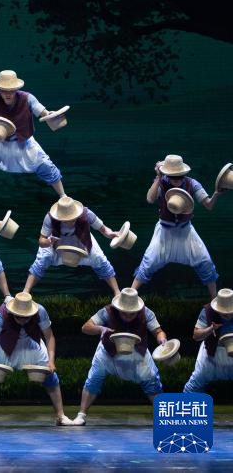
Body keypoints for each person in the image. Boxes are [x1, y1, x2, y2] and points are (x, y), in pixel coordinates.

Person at [0, 292, 74, 426]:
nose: (23, 320)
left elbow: (49, 337)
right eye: (19, 317)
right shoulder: (1, 314)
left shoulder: (40, 311)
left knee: (50, 375)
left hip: (31, 345)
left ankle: (61, 416)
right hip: (5, 347)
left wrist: (51, 362)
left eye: (26, 317)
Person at [0, 69, 66, 197]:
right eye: (4, 90)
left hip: (24, 143)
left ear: (16, 89)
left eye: (11, 90)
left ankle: (63, 196)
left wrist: (51, 115)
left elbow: (44, 113)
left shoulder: (28, 98)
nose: (8, 94)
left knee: (47, 166)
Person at [132, 155, 223, 298]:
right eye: (173, 176)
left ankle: (214, 300)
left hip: (186, 231)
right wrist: (158, 177)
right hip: (164, 231)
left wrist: (217, 193)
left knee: (205, 261)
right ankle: (129, 296)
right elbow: (150, 199)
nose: (177, 180)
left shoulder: (192, 184)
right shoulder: (162, 182)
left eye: (180, 176)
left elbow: (209, 205)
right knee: (148, 262)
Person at [74, 288, 166, 425]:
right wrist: (100, 329)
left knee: (152, 380)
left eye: (132, 313)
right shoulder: (107, 311)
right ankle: (81, 415)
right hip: (108, 352)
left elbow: (158, 331)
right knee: (94, 378)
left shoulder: (146, 313)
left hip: (137, 353)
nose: (128, 316)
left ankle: (164, 416)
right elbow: (85, 327)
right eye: (124, 313)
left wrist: (162, 339)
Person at [23, 196, 121, 296]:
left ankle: (117, 292)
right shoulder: (50, 218)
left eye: (73, 218)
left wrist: (110, 233)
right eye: (66, 220)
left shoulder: (87, 214)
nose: (70, 222)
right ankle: (25, 293)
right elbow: (41, 240)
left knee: (99, 258)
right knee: (44, 258)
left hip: (83, 242)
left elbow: (103, 229)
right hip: (56, 244)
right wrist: (48, 242)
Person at [183, 288, 233, 393]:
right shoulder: (208, 311)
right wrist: (210, 329)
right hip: (212, 353)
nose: (226, 314)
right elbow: (196, 336)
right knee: (192, 387)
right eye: (223, 311)